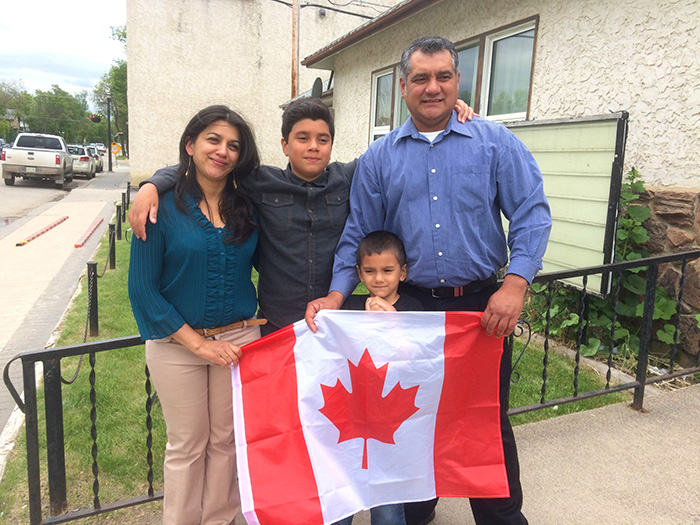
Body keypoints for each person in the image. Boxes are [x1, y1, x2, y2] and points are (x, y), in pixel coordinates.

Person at [305, 36, 552, 525]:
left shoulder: (494, 142)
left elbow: (532, 213)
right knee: (415, 416)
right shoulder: (380, 158)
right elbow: (360, 230)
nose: (432, 87)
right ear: (403, 87)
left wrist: (516, 284)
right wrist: (337, 294)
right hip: (409, 309)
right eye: (421, 78)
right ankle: (417, 510)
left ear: (458, 82)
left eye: (443, 77)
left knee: (485, 417)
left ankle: (502, 517)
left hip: (481, 307)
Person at [129, 98, 472, 336]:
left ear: (332, 145)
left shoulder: (350, 176)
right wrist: (151, 184)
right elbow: (211, 163)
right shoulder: (259, 181)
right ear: (284, 144)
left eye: (323, 139)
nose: (313, 146)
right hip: (278, 324)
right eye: (302, 138)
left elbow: (393, 146)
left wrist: (442, 111)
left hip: (337, 321)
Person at [128, 105, 265, 525]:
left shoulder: (248, 205)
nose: (223, 151)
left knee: (227, 440)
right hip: (176, 346)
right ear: (190, 145)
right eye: (213, 139)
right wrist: (199, 343)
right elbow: (142, 289)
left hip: (239, 342)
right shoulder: (160, 206)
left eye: (233, 145)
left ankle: (220, 519)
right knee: (188, 444)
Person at [334, 230, 422, 525]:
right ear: (359, 273)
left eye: (387, 270)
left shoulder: (413, 309)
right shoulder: (350, 308)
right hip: (352, 415)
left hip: (390, 421)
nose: (379, 279)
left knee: (386, 495)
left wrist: (392, 319)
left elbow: (414, 358)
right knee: (341, 487)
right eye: (370, 271)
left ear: (403, 272)